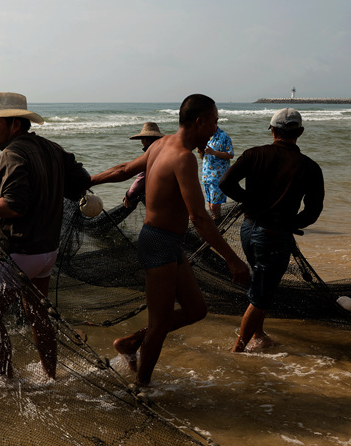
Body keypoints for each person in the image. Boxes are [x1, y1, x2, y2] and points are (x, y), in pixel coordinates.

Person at [89, 94, 250, 386]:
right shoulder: (184, 158)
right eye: (214, 122)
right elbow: (199, 217)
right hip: (159, 243)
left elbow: (124, 170)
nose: (216, 129)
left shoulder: (162, 144)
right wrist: (232, 259)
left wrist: (90, 180)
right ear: (199, 121)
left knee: (196, 310)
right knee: (160, 324)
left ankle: (130, 343)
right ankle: (141, 389)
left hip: (166, 242)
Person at [0, 92, 91, 381]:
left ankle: (8, 383)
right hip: (47, 253)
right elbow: (81, 180)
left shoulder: (12, 154)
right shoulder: (52, 148)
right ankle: (50, 377)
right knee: (38, 316)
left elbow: (13, 207)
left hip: (18, 254)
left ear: (15, 124)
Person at [219, 108, 325, 352]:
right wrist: (291, 223)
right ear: (300, 132)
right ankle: (238, 350)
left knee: (259, 284)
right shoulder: (309, 167)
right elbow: (313, 211)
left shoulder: (253, 154)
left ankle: (259, 334)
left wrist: (249, 201)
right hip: (275, 237)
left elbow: (225, 183)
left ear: (273, 131)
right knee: (262, 295)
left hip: (247, 230)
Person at [122, 122, 165, 209]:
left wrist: (129, 195)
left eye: (142, 140)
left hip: (158, 202)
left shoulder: (151, 156)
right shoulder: (164, 153)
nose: (142, 142)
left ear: (146, 140)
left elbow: (141, 179)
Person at [199, 126, 234, 220]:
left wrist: (214, 152)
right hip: (206, 175)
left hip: (218, 176)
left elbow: (230, 154)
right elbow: (204, 158)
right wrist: (200, 152)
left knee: (214, 205)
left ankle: (217, 221)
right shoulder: (205, 136)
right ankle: (217, 220)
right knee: (210, 204)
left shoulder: (223, 136)